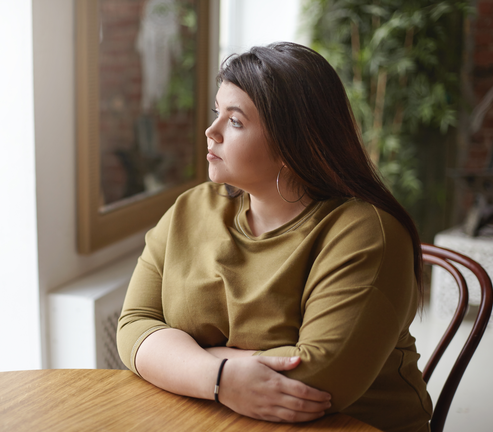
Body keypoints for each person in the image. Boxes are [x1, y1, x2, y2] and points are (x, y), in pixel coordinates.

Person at [116, 42, 432, 432]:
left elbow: (318, 382)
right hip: (216, 417)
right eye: (218, 112)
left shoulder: (366, 233)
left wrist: (184, 359)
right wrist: (221, 378)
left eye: (235, 121)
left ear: (291, 144)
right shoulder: (191, 209)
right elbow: (134, 325)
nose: (210, 131)